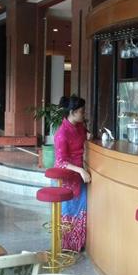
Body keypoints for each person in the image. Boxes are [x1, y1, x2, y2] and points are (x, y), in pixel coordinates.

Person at [54, 95, 92, 252]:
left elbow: (86, 135)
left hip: (79, 175)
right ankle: (65, 247)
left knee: (79, 210)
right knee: (68, 210)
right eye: (82, 111)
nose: (84, 114)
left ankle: (76, 245)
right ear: (73, 112)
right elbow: (60, 162)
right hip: (67, 178)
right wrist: (80, 170)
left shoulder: (79, 126)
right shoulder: (62, 134)